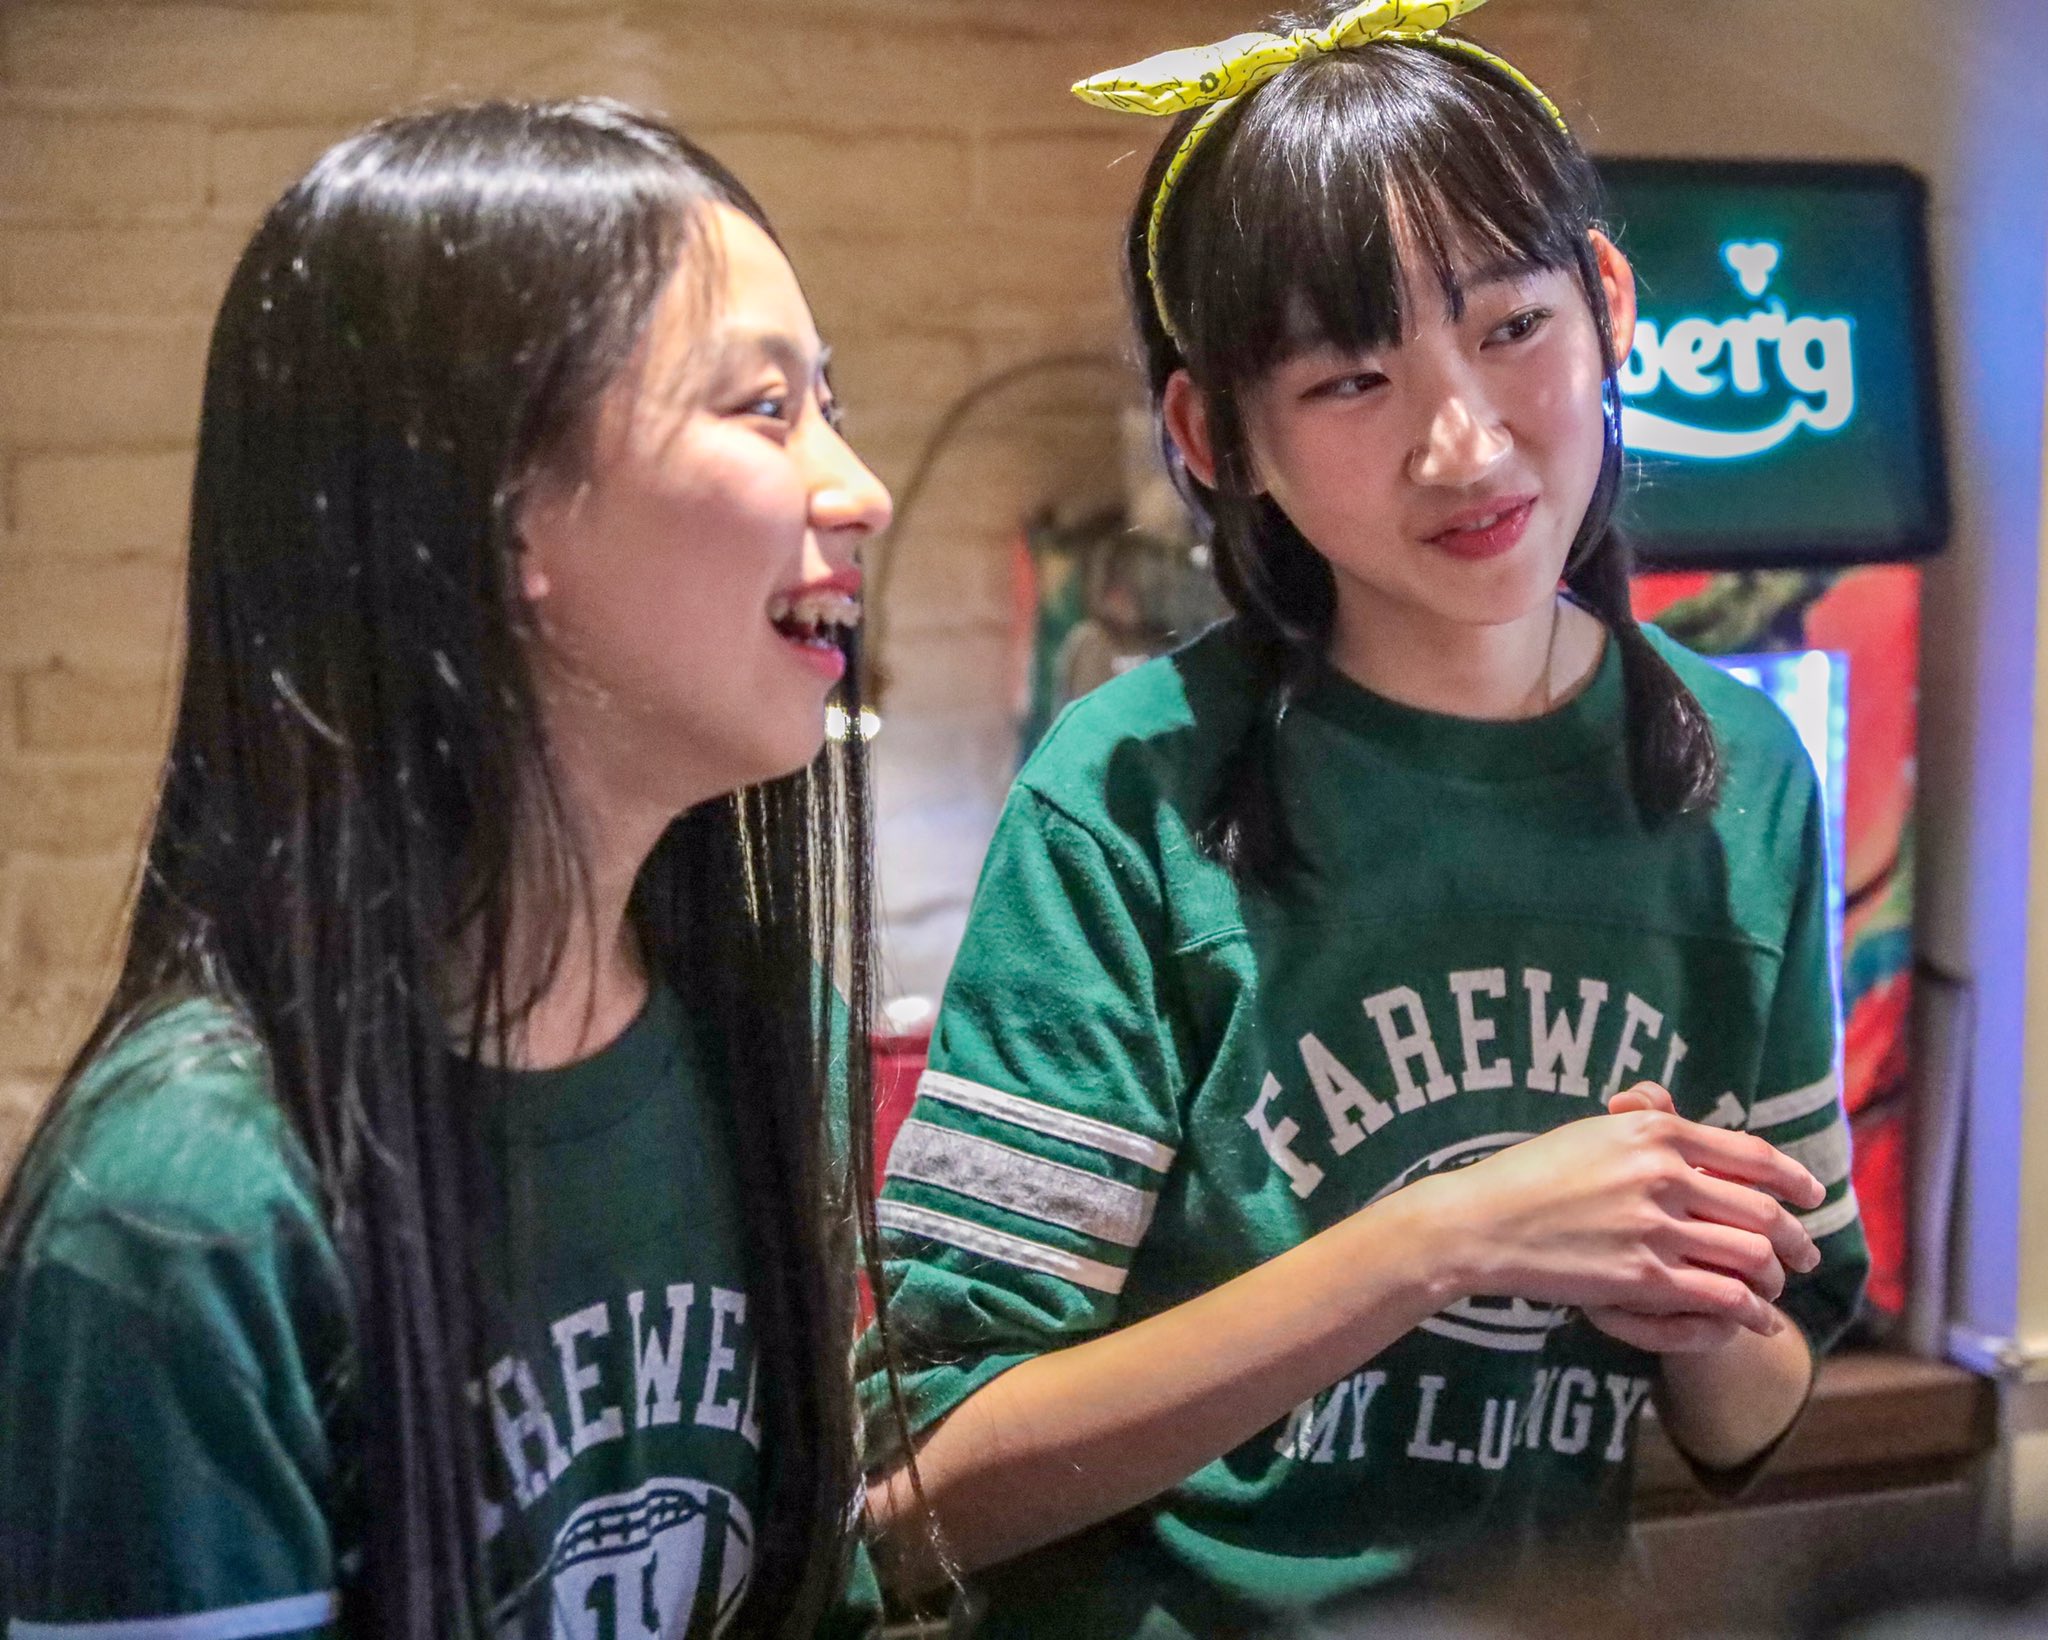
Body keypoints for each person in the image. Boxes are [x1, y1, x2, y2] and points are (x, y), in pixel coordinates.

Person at [862, 2, 1868, 1634]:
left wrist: (1696, 1301)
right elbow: (925, 1487)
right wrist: (1447, 1237)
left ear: (1610, 306)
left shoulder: (1738, 771)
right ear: (1215, 438)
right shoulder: (1130, 788)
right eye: (1350, 377)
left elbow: (1756, 1401)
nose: (1463, 441)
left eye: (1515, 325)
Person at [0, 99, 897, 1639]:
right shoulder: (179, 1221)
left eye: (830, 400)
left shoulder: (762, 1036)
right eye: (763, 409)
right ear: (496, 510)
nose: (859, 486)